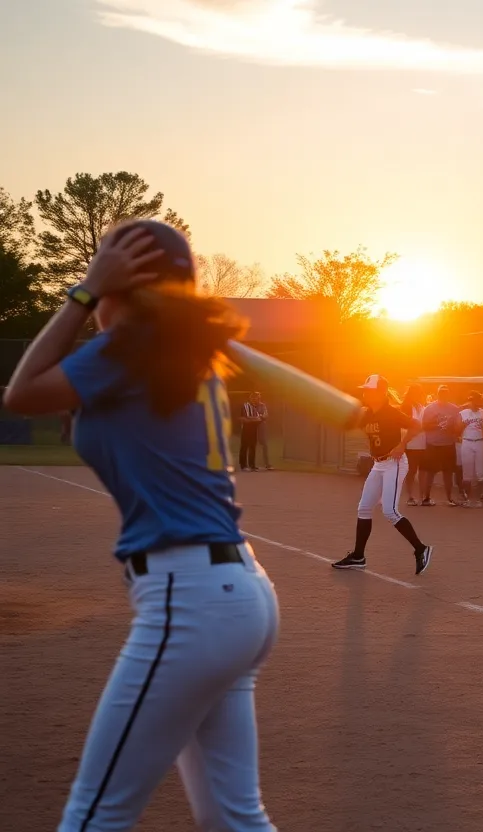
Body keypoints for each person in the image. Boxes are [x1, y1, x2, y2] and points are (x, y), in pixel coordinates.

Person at [3, 219, 280, 830]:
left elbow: (20, 393)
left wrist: (81, 292)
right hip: (240, 592)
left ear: (121, 286)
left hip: (192, 599)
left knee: (92, 816)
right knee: (234, 818)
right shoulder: (180, 354)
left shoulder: (129, 347)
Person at [332, 374, 433, 573]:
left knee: (390, 511)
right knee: (364, 508)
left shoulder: (391, 413)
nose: (365, 393)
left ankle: (421, 549)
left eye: (369, 390)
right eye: (365, 390)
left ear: (381, 393)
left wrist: (402, 445)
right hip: (378, 465)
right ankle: (358, 556)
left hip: (394, 463)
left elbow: (417, 426)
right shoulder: (367, 413)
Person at [420, 384, 461, 506]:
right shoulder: (429, 408)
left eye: (445, 393)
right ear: (437, 394)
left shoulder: (455, 409)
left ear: (448, 394)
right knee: (430, 472)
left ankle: (449, 498)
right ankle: (426, 498)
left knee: (448, 472)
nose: (443, 396)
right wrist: (437, 424)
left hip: (448, 444)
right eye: (441, 393)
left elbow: (457, 428)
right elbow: (424, 426)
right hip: (433, 444)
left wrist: (452, 428)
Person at [458, 392, 483, 508]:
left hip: (480, 441)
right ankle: (467, 498)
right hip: (467, 441)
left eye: (476, 400)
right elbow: (456, 429)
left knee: (481, 473)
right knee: (467, 473)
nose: (474, 402)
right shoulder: (463, 413)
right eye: (472, 400)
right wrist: (463, 425)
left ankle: (478, 498)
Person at [402, 385, 427, 506]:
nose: (419, 396)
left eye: (420, 393)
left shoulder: (422, 406)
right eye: (416, 393)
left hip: (423, 443)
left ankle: (423, 497)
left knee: (423, 470)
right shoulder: (406, 407)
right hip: (411, 444)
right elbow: (405, 424)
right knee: (411, 470)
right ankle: (410, 496)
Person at [238, 391, 263, 472]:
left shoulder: (256, 407)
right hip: (246, 428)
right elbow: (246, 418)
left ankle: (252, 465)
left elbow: (259, 418)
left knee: (252, 446)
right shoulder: (246, 405)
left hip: (254, 428)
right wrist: (253, 419)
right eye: (253, 398)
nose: (255, 399)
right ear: (250, 398)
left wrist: (253, 419)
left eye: (256, 398)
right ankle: (243, 465)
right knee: (244, 446)